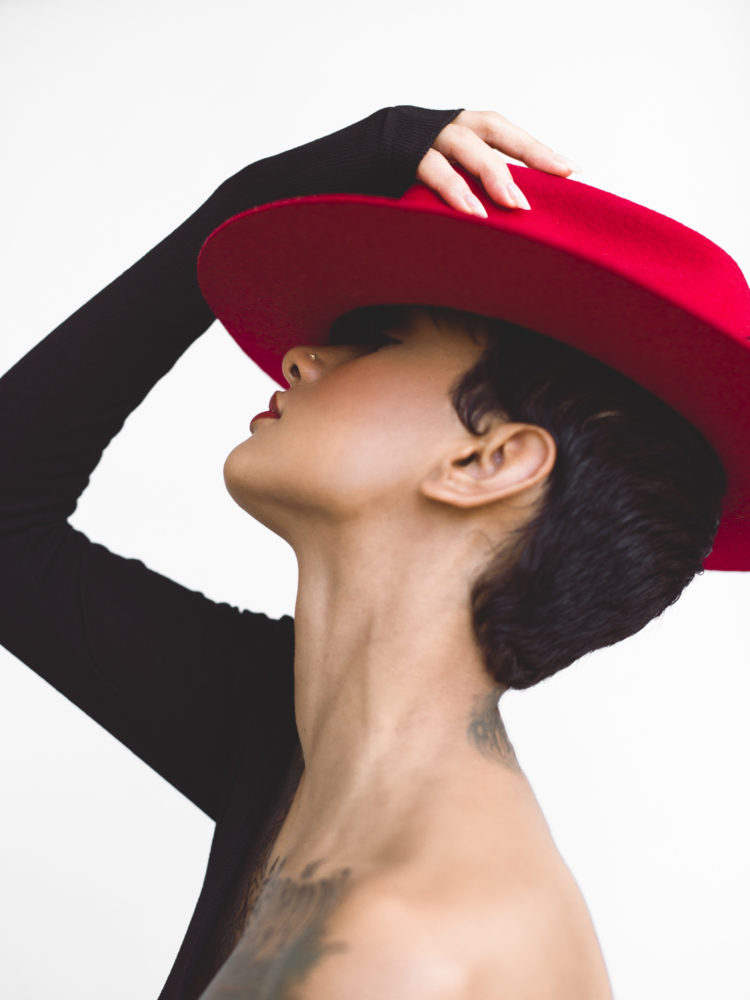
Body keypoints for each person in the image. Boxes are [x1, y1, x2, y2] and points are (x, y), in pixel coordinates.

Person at [0, 103, 741, 999]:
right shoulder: (299, 740)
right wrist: (246, 200)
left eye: (382, 342)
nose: (300, 358)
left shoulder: (410, 951)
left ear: (489, 461)